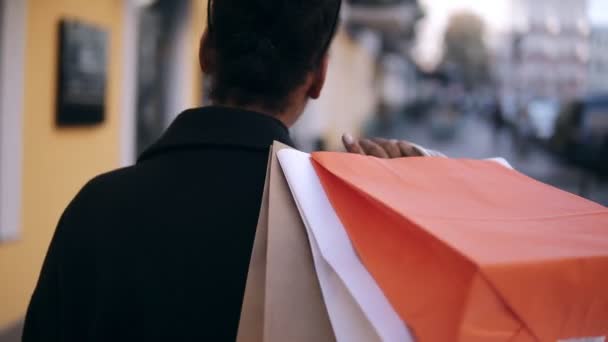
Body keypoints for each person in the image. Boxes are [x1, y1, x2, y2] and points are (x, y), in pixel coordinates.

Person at [22, 0, 433, 341]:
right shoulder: (346, 229)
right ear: (319, 77)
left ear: (205, 51)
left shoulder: (95, 209)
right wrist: (415, 220)